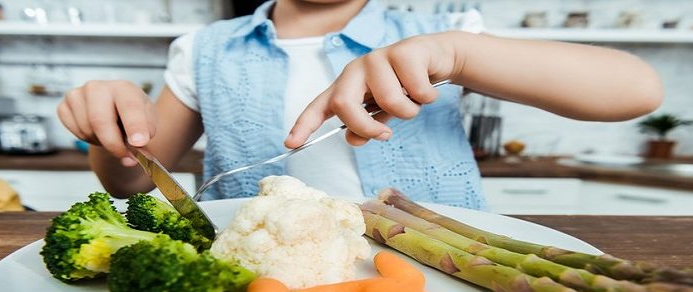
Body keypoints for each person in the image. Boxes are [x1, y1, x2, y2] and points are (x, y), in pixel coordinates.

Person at [56, 0, 662, 209]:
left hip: (436, 268)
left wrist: (455, 54)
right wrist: (108, 130)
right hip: (254, 274)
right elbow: (133, 183)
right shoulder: (203, 49)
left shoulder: (445, 29)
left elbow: (635, 91)